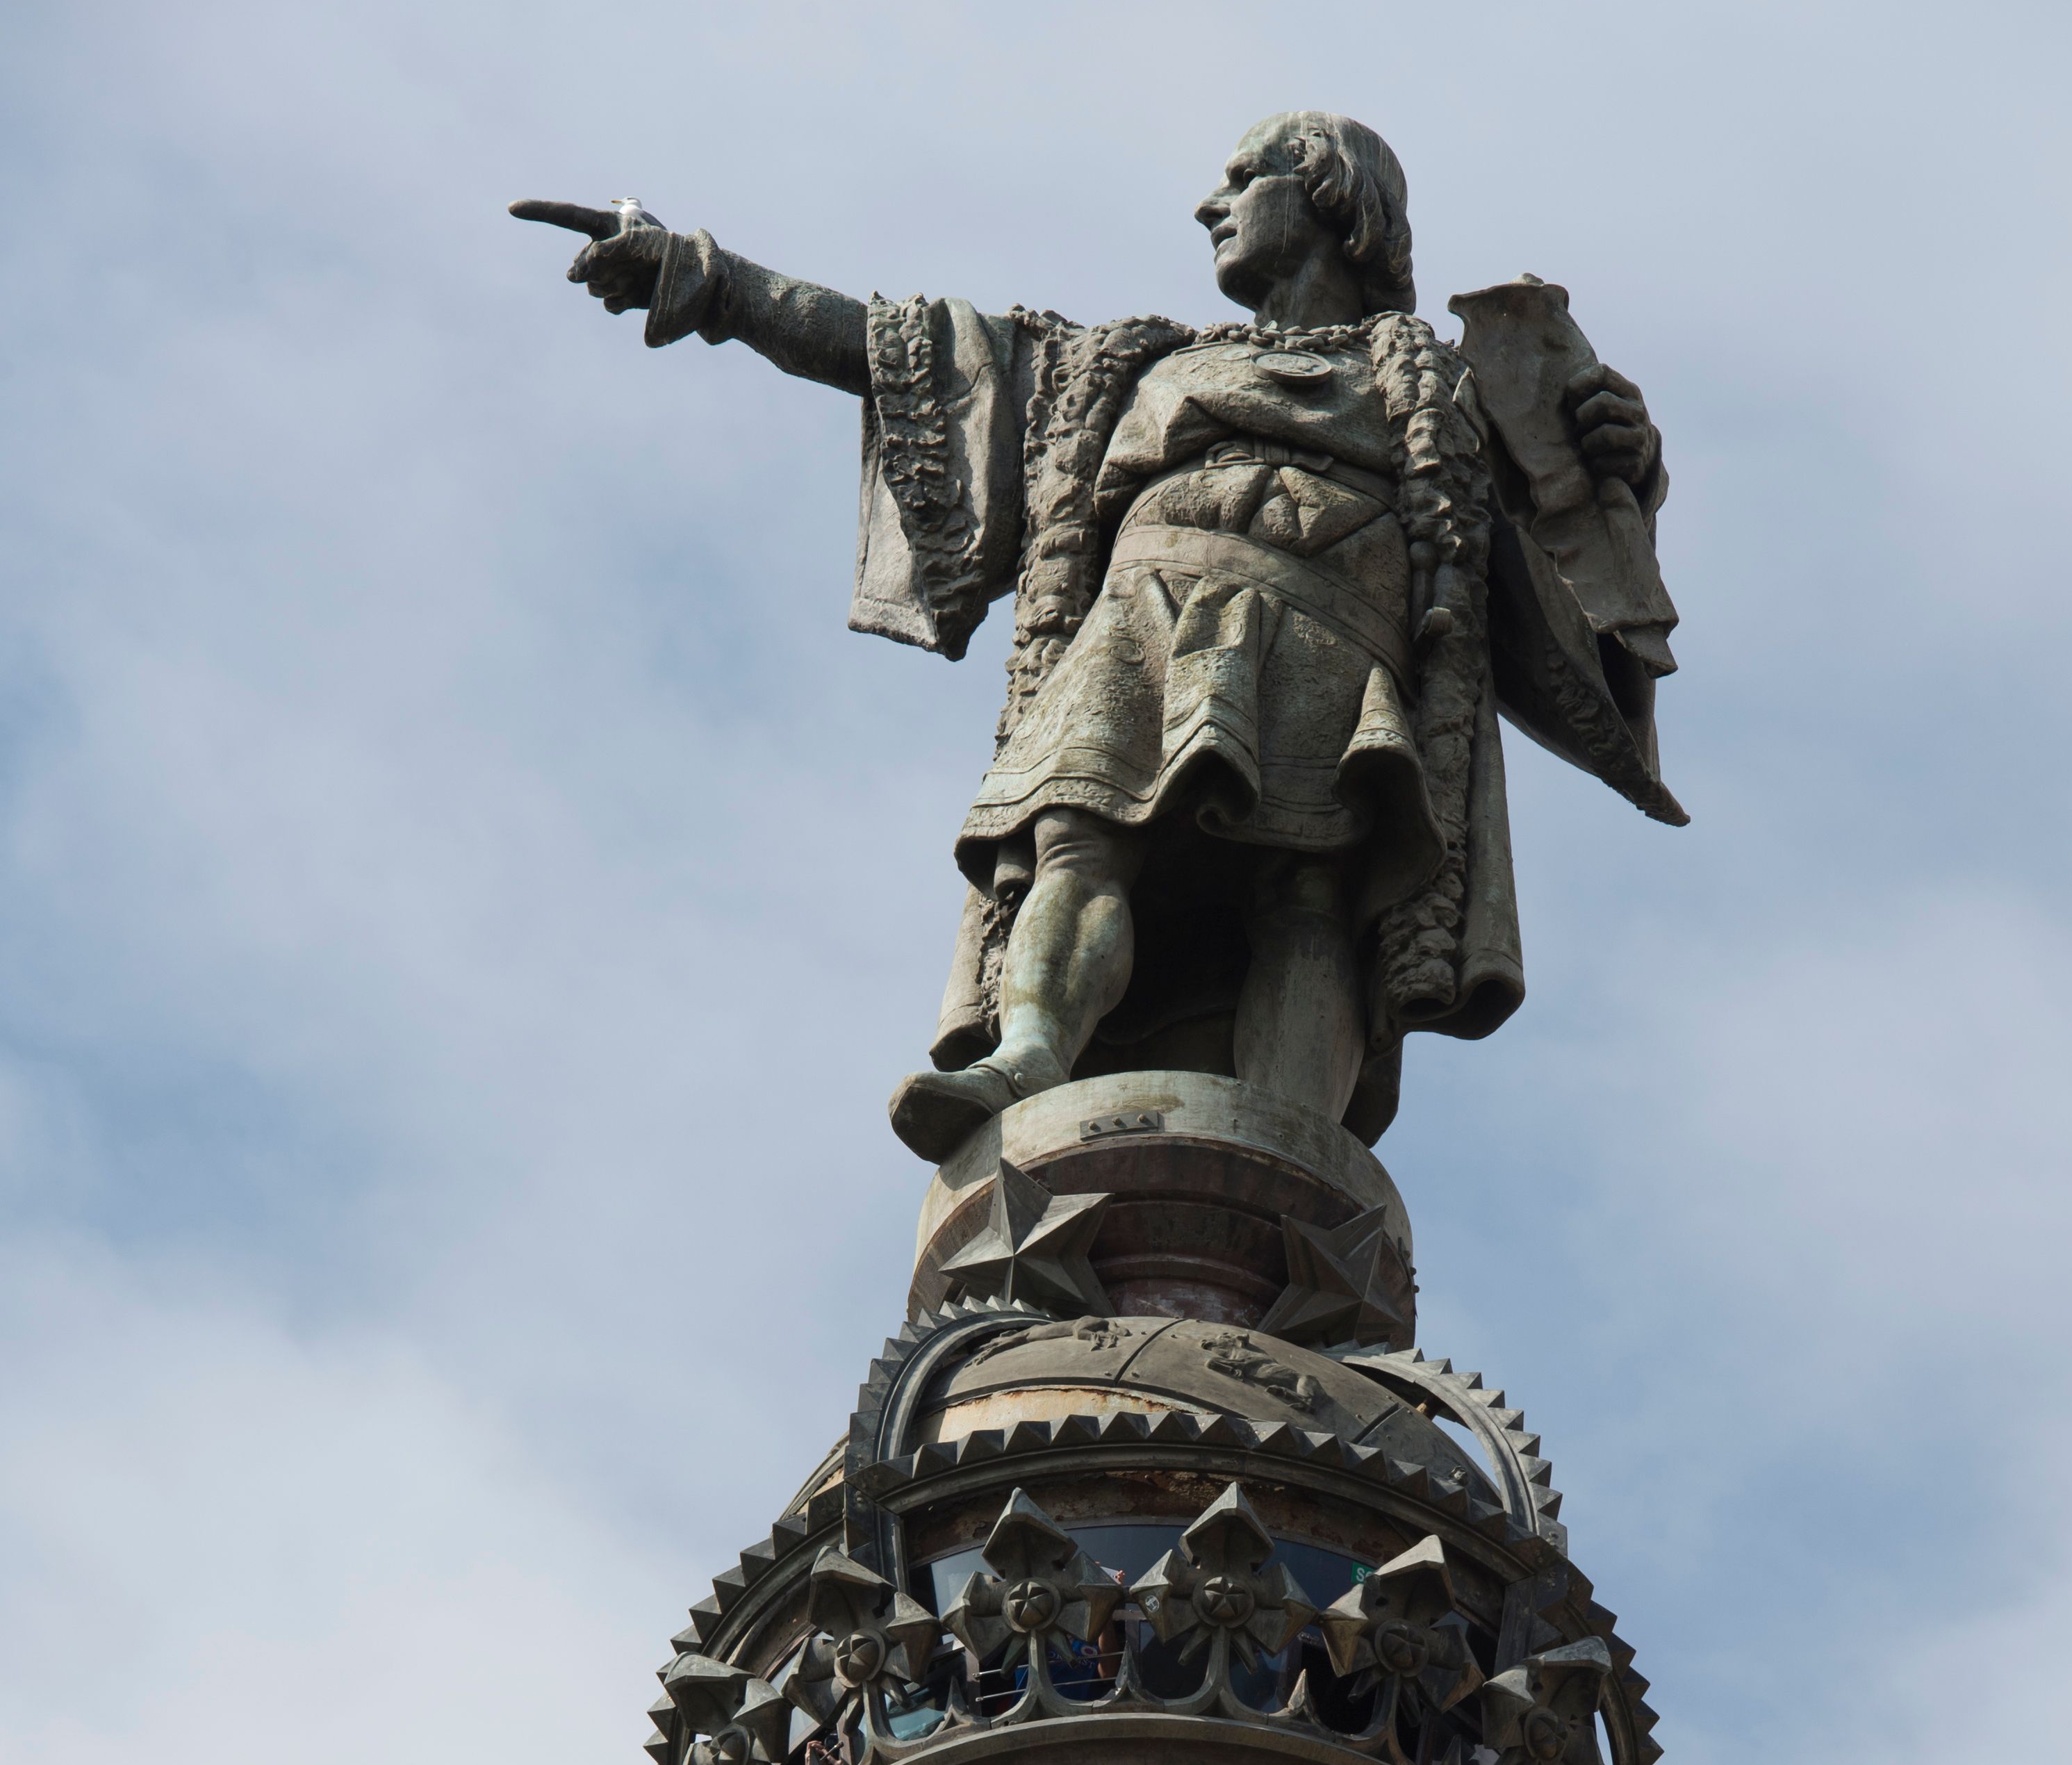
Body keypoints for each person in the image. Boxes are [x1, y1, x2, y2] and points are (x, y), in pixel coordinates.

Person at [519, 113, 1678, 1156]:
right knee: (1074, 840)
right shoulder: (1127, 366)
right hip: (1143, 622)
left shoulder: (1436, 388)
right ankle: (1029, 1052)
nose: (1208, 204)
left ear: (1332, 196)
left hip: (1338, 628)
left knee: (1312, 888)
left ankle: (1281, 1138)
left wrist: (1623, 461)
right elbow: (903, 348)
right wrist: (702, 279)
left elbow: (1582, 568)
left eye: (1242, 177)